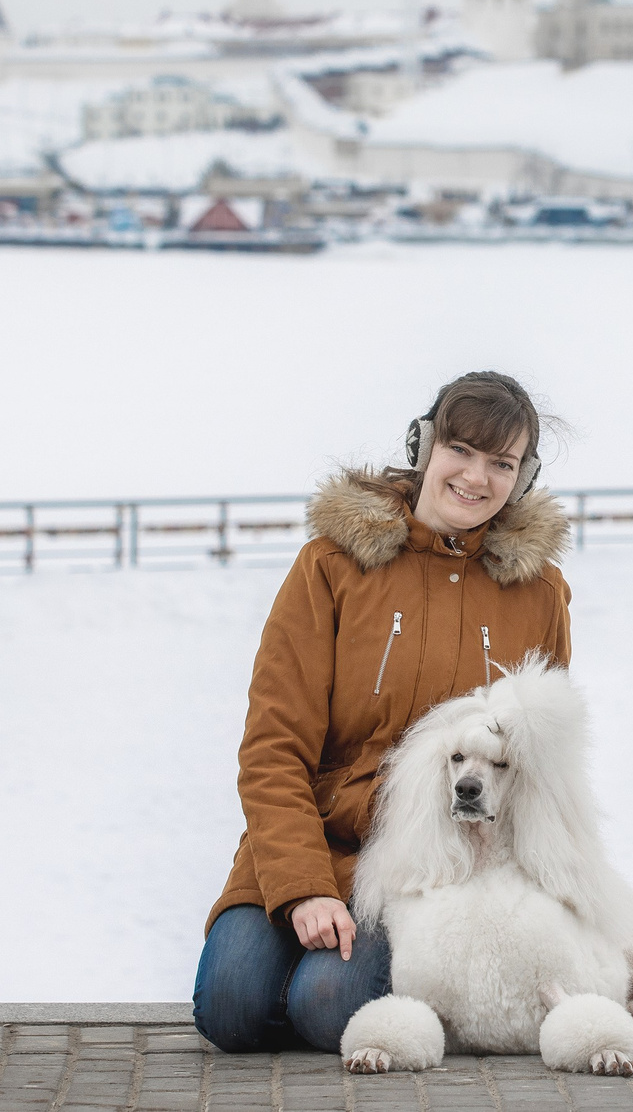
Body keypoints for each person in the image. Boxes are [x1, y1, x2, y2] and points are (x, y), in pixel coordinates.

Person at [192, 371, 574, 1053]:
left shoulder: (537, 593)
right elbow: (273, 748)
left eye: (502, 464)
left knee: (327, 1005)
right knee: (231, 1006)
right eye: (462, 449)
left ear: (522, 478)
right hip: (310, 840)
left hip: (431, 869)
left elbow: (541, 768)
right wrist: (305, 887)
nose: (476, 478)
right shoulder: (332, 567)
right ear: (424, 443)